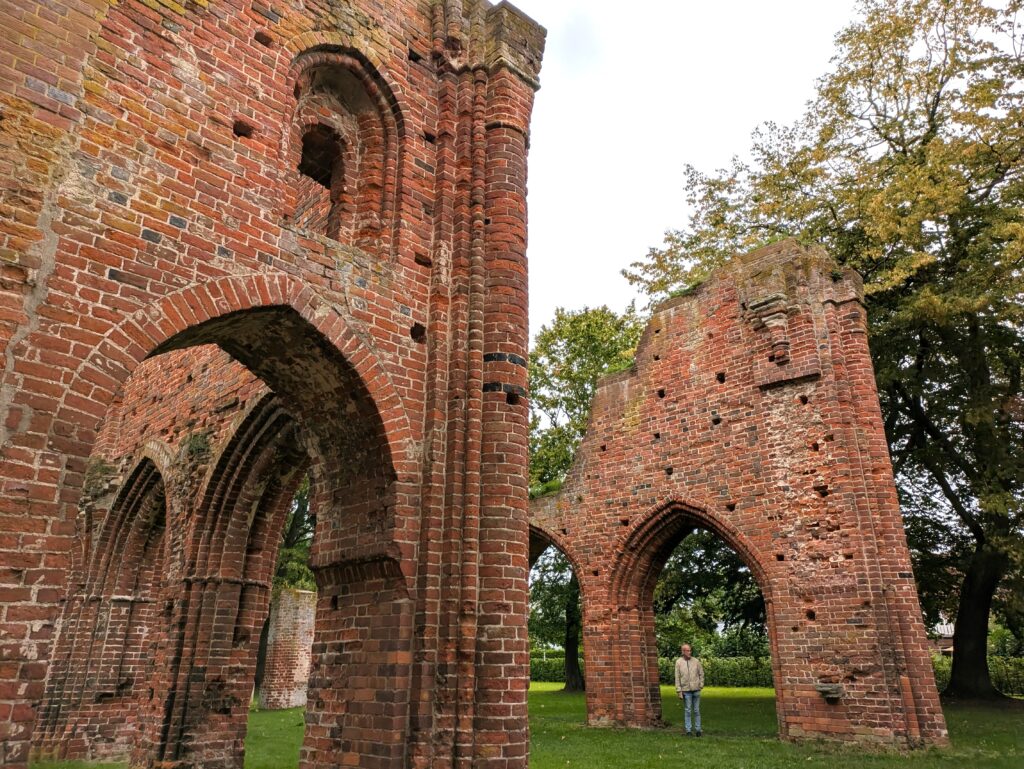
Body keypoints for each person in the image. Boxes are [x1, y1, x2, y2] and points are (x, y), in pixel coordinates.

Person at [674, 643, 704, 736]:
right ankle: (688, 730)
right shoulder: (678, 662)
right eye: (687, 650)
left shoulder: (696, 661)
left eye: (690, 650)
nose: (689, 652)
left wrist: (701, 685)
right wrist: (679, 690)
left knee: (696, 710)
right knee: (688, 710)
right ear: (683, 651)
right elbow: (677, 677)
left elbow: (701, 673)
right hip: (686, 691)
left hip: (696, 689)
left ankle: (698, 730)